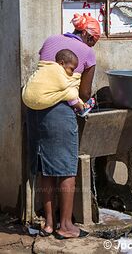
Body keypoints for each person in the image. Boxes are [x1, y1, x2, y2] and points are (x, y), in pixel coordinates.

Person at [26, 13, 100, 239]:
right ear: (86, 34)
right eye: (93, 39)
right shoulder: (87, 53)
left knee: (46, 167)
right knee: (67, 167)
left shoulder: (50, 40)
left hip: (35, 109)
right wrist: (85, 104)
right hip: (59, 111)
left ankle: (48, 224)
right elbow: (84, 93)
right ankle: (66, 225)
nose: (93, 44)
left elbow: (45, 71)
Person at [22, 49, 95, 116]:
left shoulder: (47, 67)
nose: (72, 73)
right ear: (62, 63)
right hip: (38, 98)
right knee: (70, 92)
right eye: (72, 69)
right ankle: (81, 108)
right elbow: (64, 84)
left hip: (27, 99)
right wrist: (75, 81)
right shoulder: (56, 69)